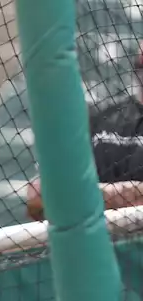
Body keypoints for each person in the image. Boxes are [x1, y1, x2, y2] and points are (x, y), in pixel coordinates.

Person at [26, 42, 143, 220]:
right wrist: (117, 194)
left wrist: (82, 196)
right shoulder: (100, 116)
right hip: (92, 243)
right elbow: (38, 195)